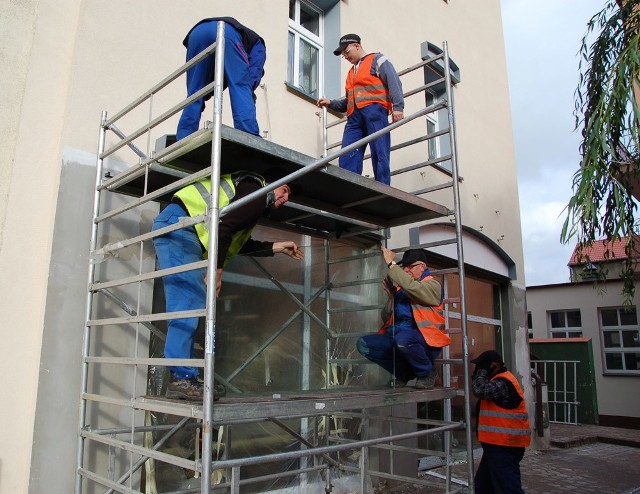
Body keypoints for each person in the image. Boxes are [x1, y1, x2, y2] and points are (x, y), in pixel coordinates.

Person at [152, 169, 304, 400]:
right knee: (188, 301)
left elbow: (237, 243)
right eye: (285, 190)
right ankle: (181, 377)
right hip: (181, 226)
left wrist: (277, 247)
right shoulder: (256, 191)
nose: (286, 198)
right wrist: (216, 270)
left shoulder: (251, 202)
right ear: (274, 184)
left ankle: (184, 376)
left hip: (182, 227)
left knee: (190, 302)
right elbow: (223, 227)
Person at [316, 34, 404, 185]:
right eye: (343, 54)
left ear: (357, 46)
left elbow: (394, 81)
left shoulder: (377, 59)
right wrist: (330, 103)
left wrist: (398, 107)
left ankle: (383, 186)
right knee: (348, 152)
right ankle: (349, 186)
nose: (345, 56)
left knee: (379, 151)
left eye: (346, 51)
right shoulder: (351, 73)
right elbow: (349, 101)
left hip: (374, 111)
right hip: (354, 118)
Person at [356, 248, 450, 389]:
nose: (406, 270)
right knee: (364, 344)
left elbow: (414, 288)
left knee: (402, 340)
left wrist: (391, 264)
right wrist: (392, 297)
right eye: (404, 267)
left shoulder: (432, 285)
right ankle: (404, 373)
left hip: (424, 340)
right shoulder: (402, 290)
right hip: (399, 337)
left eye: (410, 267)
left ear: (422, 267)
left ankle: (427, 372)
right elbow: (386, 317)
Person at [176, 17, 266, 140]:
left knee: (195, 93)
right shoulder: (259, 45)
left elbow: (204, 87)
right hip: (226, 31)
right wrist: (250, 92)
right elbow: (250, 77)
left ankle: (184, 136)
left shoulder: (223, 65)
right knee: (240, 85)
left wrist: (201, 100)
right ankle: (248, 133)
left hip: (196, 34)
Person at [471, 350, 531, 494]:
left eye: (482, 367)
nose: (479, 370)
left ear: (494, 366)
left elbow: (479, 390)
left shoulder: (503, 382)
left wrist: (480, 375)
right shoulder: (499, 379)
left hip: (505, 446)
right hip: (496, 445)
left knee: (508, 488)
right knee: (483, 486)